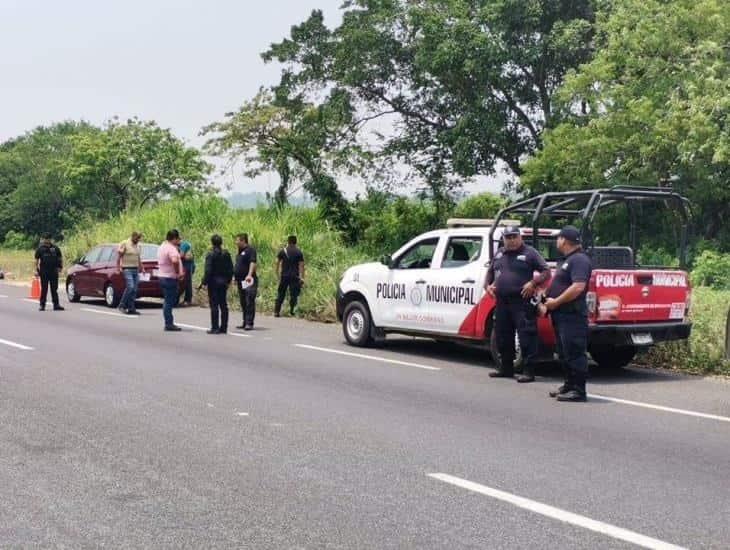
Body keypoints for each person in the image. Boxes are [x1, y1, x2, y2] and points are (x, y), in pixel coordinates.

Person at [485, 225, 550, 383]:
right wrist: (487, 285)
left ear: (520, 237)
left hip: (522, 302)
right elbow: (490, 271)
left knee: (527, 336)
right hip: (502, 302)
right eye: (508, 237)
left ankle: (529, 371)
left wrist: (533, 283)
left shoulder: (529, 252)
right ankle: (506, 368)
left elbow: (546, 271)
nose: (512, 240)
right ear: (504, 239)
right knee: (502, 335)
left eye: (515, 237)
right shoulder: (500, 253)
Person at [538, 225, 593, 402]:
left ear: (564, 240)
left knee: (575, 352)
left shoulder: (579, 260)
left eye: (558, 238)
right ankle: (569, 384)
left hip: (572, 315)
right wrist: (546, 298)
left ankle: (578, 390)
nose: (557, 241)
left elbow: (578, 287)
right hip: (561, 315)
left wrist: (556, 301)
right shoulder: (568, 259)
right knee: (564, 352)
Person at [199, 234, 234, 334]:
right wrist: (228, 281)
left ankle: (215, 327)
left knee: (214, 305)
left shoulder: (210, 254)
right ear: (221, 243)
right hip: (223, 282)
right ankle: (224, 327)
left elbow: (208, 270)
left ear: (212, 243)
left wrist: (203, 282)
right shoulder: (226, 254)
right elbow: (231, 269)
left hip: (213, 283)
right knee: (223, 305)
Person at [157, 229, 185, 331]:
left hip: (163, 276)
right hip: (169, 277)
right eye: (178, 239)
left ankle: (168, 322)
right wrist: (178, 272)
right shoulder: (171, 248)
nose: (179, 241)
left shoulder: (162, 247)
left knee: (168, 300)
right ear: (174, 239)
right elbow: (174, 260)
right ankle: (169, 323)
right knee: (169, 301)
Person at [275, 235, 305, 317]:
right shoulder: (299, 252)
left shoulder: (282, 251)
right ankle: (292, 311)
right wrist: (302, 277)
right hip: (294, 276)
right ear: (296, 242)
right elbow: (302, 266)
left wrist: (277, 274)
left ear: (288, 241)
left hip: (284, 276)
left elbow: (277, 263)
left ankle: (276, 311)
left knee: (281, 293)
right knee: (294, 294)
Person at [117, 231, 145, 315]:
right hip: (127, 268)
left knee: (135, 289)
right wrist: (119, 266)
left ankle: (131, 308)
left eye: (139, 238)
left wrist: (142, 268)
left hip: (135, 269)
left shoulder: (138, 246)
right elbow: (119, 254)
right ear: (133, 237)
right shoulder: (125, 243)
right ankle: (121, 305)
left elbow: (138, 257)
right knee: (130, 287)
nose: (138, 240)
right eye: (137, 238)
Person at [34, 233, 65, 311]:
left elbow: (60, 258)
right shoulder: (40, 249)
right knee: (44, 289)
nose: (46, 240)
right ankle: (42, 305)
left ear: (50, 239)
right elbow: (36, 260)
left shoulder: (55, 248)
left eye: (48, 238)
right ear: (43, 239)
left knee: (54, 289)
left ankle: (56, 304)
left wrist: (60, 267)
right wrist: (36, 270)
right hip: (44, 271)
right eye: (45, 238)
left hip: (53, 271)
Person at [234, 233, 257, 330]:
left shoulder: (250, 250)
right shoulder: (240, 251)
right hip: (240, 280)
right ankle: (244, 321)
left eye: (237, 240)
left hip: (248, 280)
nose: (236, 242)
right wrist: (234, 277)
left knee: (249, 300)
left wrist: (249, 274)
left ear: (243, 241)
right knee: (243, 301)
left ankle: (249, 323)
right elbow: (238, 265)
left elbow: (253, 262)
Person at [179, 239, 195, 307]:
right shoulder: (186, 244)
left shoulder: (183, 245)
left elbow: (181, 255)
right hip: (188, 266)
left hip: (187, 266)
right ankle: (186, 299)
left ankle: (188, 300)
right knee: (186, 282)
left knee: (188, 283)